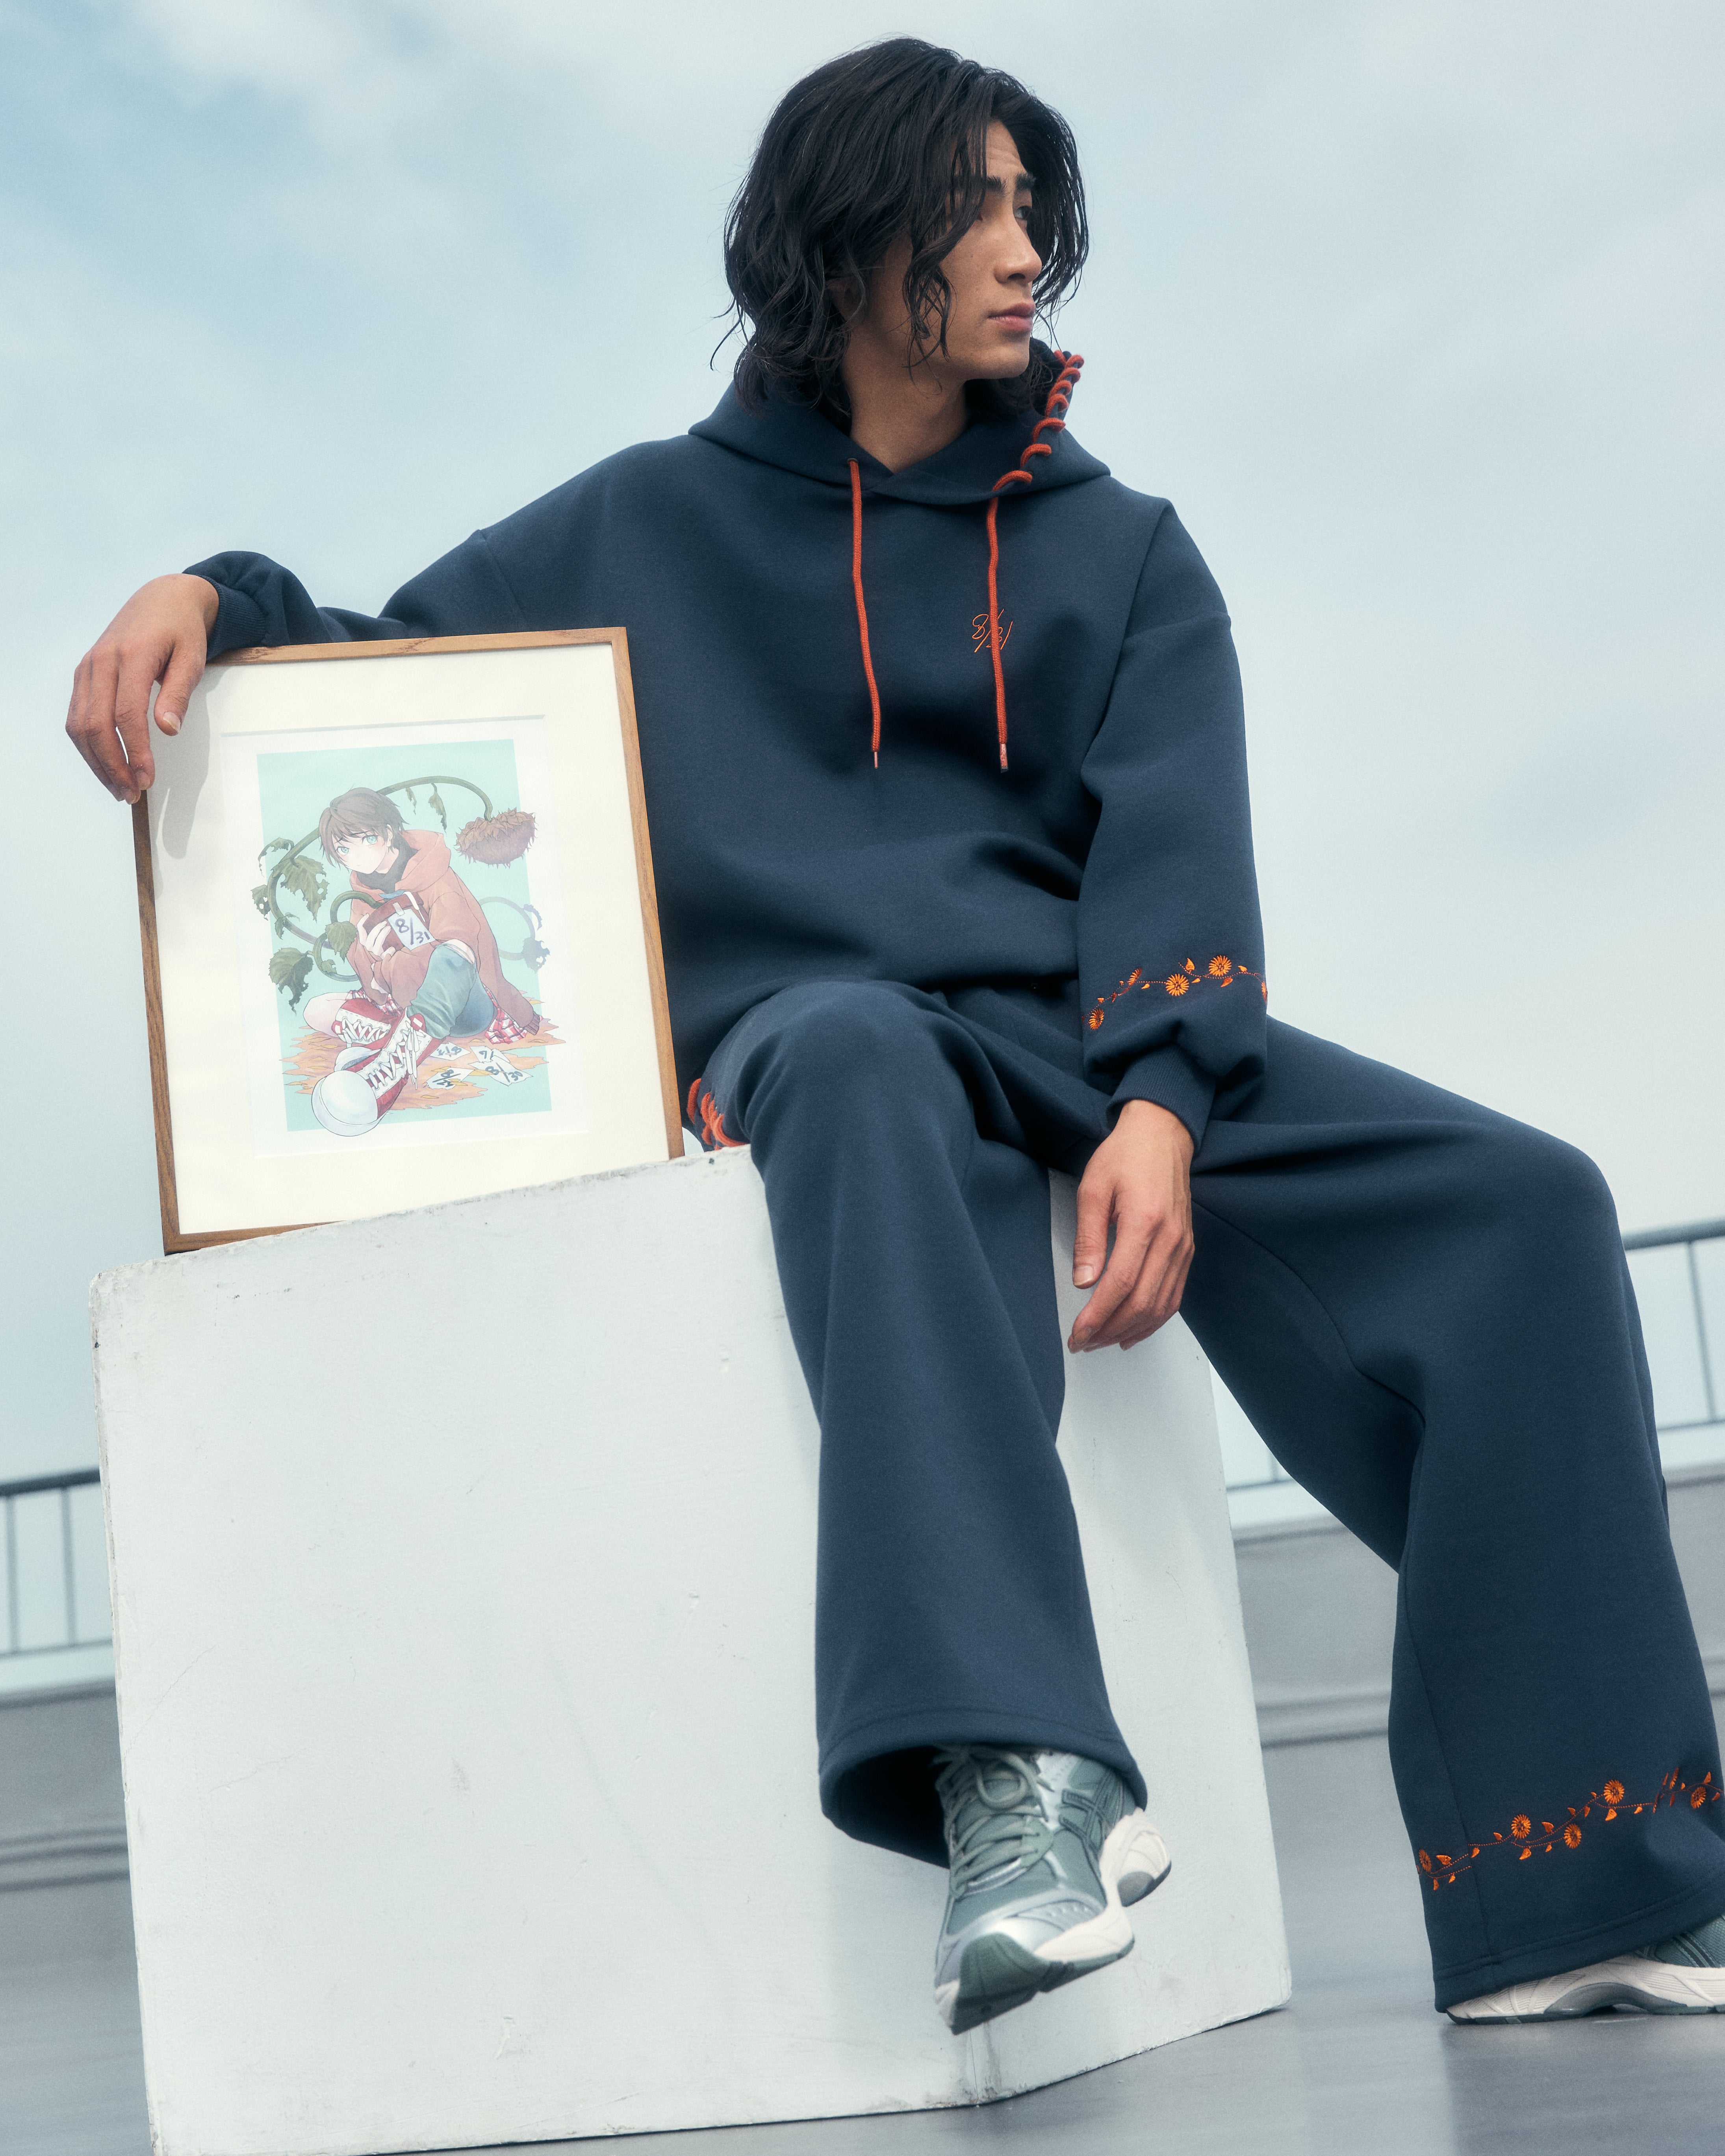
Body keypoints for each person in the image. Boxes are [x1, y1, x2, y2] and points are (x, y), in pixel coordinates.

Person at [65, 38, 1724, 2035]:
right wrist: (212, 592)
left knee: (1528, 1209)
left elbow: (1176, 844)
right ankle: (1024, 1780)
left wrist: (1162, 1102)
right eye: (977, 211)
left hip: (1088, 1031)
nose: (1028, 255)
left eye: (1036, 211)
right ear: (851, 247)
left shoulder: (1122, 547)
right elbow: (394, 666)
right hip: (819, 1031)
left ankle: (1586, 1887)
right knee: (853, 1062)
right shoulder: (641, 525)